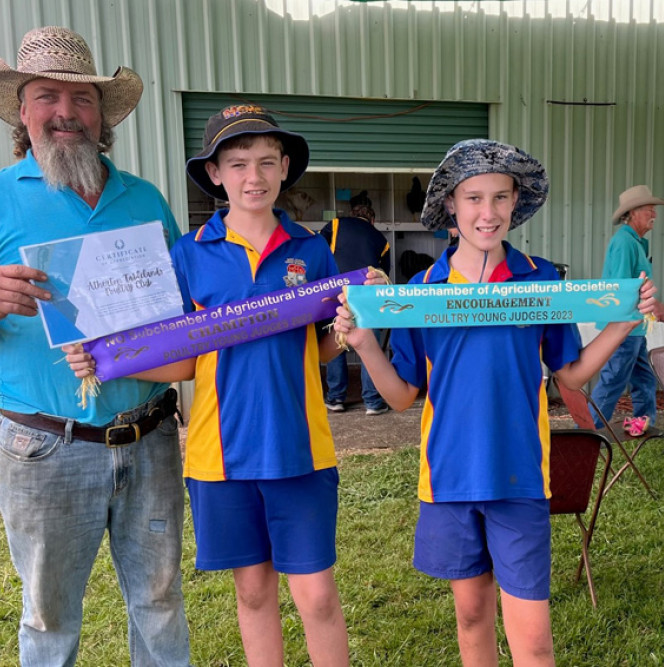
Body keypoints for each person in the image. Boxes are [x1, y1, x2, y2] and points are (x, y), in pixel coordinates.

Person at [334, 139, 662, 666]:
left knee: (533, 639)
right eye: (473, 199)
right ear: (451, 207)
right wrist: (366, 344)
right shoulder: (422, 290)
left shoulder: (540, 282)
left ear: (515, 204)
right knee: (471, 618)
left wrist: (623, 323)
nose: (487, 213)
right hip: (449, 479)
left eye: (500, 198)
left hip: (520, 479)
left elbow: (572, 376)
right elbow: (400, 397)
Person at [70, 105, 370, 665]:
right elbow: (182, 360)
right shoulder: (187, 255)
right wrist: (107, 359)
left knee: (318, 595)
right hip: (218, 455)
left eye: (264, 162)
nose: (252, 177)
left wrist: (350, 331)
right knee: (253, 592)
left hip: (300, 449)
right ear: (215, 174)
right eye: (236, 164)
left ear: (284, 168)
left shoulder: (312, 251)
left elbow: (321, 346)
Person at [0, 26, 190, 665]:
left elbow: (180, 313)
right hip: (46, 446)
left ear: (102, 115)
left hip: (151, 436)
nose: (65, 112)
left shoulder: (145, 199)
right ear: (22, 113)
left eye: (82, 99)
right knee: (49, 618)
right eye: (47, 96)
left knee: (161, 602)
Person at [588, 185, 664, 431]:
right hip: (622, 326)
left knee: (643, 379)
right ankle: (588, 431)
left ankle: (641, 422)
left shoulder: (635, 242)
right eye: (650, 210)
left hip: (634, 326)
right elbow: (622, 289)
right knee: (613, 379)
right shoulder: (625, 242)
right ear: (633, 212)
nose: (654, 215)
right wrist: (655, 305)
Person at [319, 199, 390, 415]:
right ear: (373, 219)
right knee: (369, 346)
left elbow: (318, 252)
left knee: (337, 338)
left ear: (352, 213)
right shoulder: (380, 238)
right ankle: (373, 402)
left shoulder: (335, 224)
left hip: (335, 292)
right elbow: (383, 274)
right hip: (366, 295)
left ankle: (336, 398)